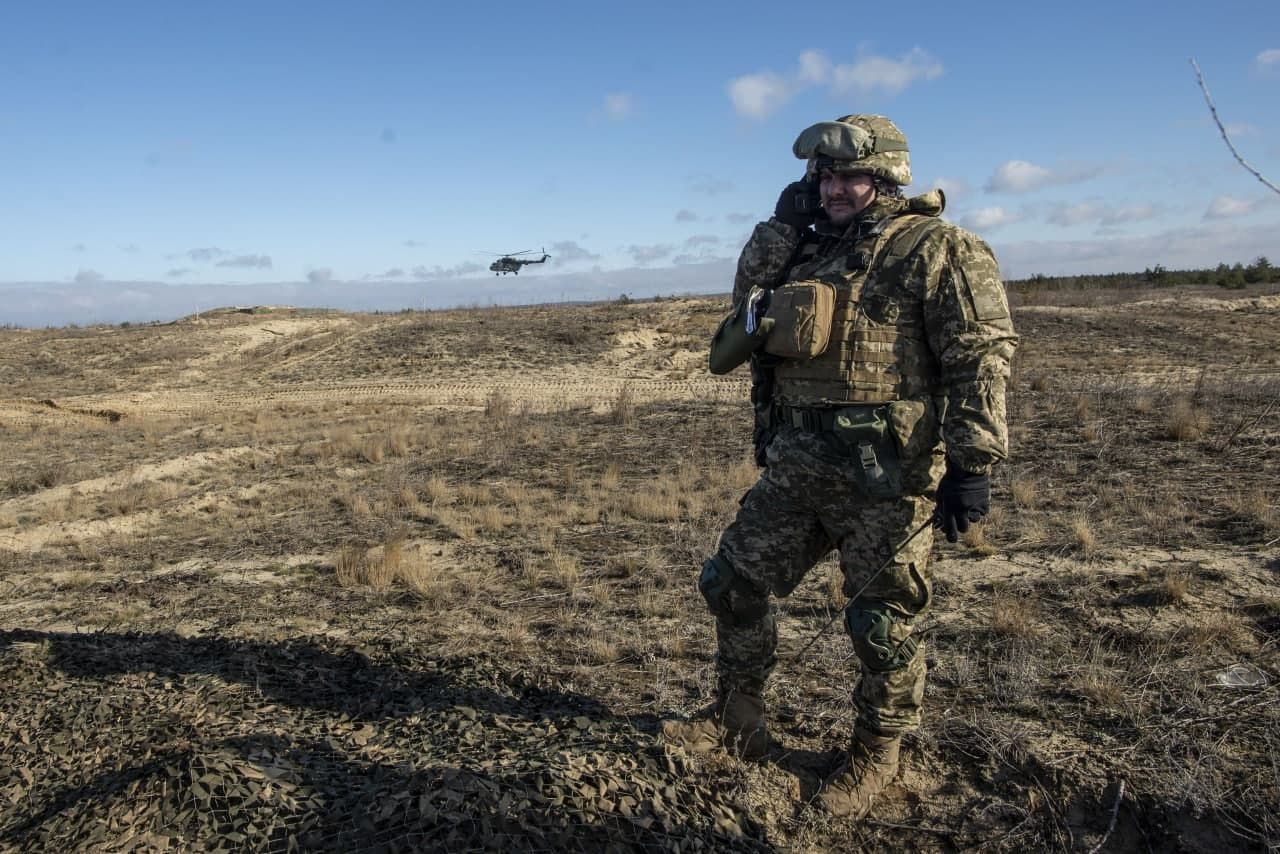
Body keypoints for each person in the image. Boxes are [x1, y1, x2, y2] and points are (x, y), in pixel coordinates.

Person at [662, 114, 1018, 818]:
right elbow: (741, 316)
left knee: (881, 625)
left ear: (886, 178)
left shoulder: (937, 249)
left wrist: (972, 461)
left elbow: (980, 357)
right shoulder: (804, 251)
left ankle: (876, 755)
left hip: (886, 478)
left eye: (849, 176)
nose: (832, 188)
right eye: (822, 176)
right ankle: (737, 718)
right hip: (798, 469)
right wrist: (778, 229)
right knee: (731, 584)